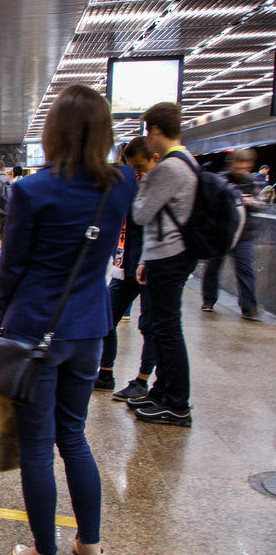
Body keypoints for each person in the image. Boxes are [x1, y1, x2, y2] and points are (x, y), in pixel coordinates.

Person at [0, 85, 136, 555]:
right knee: (74, 437)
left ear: (54, 131)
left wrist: (3, 318)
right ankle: (92, 547)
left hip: (36, 329)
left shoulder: (32, 190)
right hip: (90, 329)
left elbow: (12, 267)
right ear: (103, 132)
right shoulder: (122, 182)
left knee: (37, 446)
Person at [129, 102, 197, 427]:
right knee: (161, 327)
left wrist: (144, 179)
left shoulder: (170, 168)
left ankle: (178, 404)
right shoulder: (187, 162)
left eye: (147, 132)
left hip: (170, 257)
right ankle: (161, 393)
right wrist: (145, 258)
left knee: (168, 330)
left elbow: (142, 214)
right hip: (166, 255)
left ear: (155, 130)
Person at [94, 137, 158, 400]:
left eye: (140, 167)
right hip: (126, 265)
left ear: (155, 158)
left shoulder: (158, 185)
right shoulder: (133, 183)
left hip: (151, 266)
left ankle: (142, 381)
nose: (137, 173)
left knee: (150, 326)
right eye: (133, 168)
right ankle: (105, 373)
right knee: (106, 318)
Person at [202, 148, 261, 320]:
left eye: (245, 168)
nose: (241, 172)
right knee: (213, 267)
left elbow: (260, 203)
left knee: (244, 268)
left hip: (243, 234)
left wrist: (250, 201)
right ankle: (209, 300)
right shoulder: (220, 180)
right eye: (238, 168)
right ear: (231, 164)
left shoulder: (253, 181)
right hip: (221, 233)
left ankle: (249, 307)